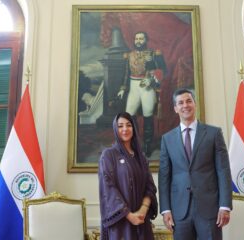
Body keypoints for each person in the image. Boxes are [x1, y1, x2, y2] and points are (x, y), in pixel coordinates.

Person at [158, 88, 232, 240]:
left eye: (188, 101)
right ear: (175, 108)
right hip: (179, 210)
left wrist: (224, 205)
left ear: (195, 104)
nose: (185, 105)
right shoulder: (167, 139)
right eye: (180, 103)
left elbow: (223, 170)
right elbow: (164, 177)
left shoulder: (214, 133)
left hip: (209, 208)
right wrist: (165, 209)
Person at [98, 112, 158, 240]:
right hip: (120, 223)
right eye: (120, 126)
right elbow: (108, 189)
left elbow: (150, 187)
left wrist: (143, 210)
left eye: (128, 125)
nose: (125, 129)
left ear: (134, 128)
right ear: (115, 129)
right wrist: (130, 216)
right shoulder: (108, 155)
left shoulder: (141, 157)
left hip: (141, 221)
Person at [117, 31, 166, 157]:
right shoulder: (129, 55)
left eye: (141, 38)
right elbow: (126, 73)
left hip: (147, 88)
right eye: (136, 38)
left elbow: (163, 70)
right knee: (129, 116)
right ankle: (135, 143)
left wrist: (151, 78)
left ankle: (147, 145)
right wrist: (123, 88)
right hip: (133, 87)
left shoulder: (154, 54)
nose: (138, 41)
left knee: (147, 116)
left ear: (146, 40)